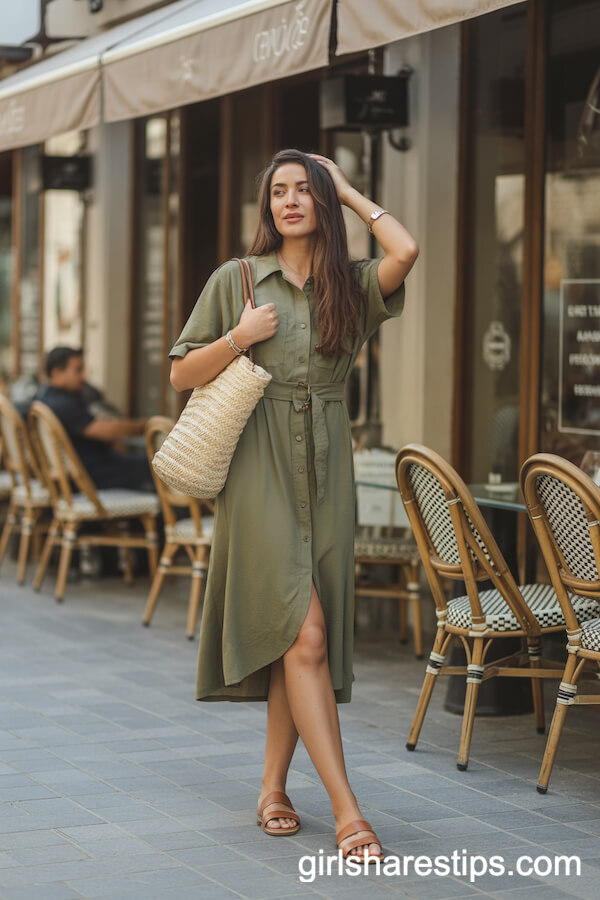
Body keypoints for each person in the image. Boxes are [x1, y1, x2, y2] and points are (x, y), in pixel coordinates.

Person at [169, 149, 418, 862]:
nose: (290, 201)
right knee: (304, 633)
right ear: (266, 207)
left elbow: (407, 247)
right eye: (278, 191)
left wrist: (349, 189)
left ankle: (274, 788)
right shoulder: (238, 279)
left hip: (326, 467)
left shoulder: (352, 285)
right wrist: (239, 338)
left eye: (305, 190)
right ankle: (348, 812)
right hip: (260, 467)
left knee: (294, 634)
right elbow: (184, 370)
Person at [37, 346, 153, 492]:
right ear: (57, 373)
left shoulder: (43, 398)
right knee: (154, 465)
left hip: (75, 476)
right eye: (78, 370)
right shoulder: (63, 404)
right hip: (87, 479)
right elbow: (109, 431)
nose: (84, 376)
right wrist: (149, 424)